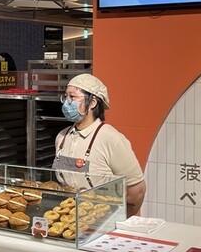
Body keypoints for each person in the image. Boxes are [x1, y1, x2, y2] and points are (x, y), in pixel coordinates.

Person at [53, 73, 146, 217]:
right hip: (69, 219)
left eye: (72, 97)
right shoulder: (62, 137)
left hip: (103, 220)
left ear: (92, 103)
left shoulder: (111, 139)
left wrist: (118, 220)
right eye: (65, 97)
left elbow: (137, 191)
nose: (66, 103)